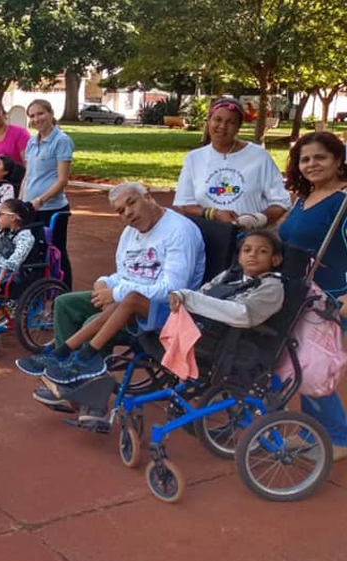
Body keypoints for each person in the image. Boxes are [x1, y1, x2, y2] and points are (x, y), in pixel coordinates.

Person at [16, 182, 205, 389]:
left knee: (99, 316)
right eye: (121, 211)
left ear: (148, 198)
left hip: (164, 310)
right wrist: (105, 283)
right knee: (65, 304)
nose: (128, 213)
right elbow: (125, 275)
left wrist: (116, 293)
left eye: (132, 203)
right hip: (127, 301)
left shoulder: (179, 231)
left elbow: (173, 289)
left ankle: (86, 386)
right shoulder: (129, 232)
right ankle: (64, 370)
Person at [279, 131, 347, 460]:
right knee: (299, 362)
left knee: (313, 365)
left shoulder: (343, 202)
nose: (311, 164)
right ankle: (311, 431)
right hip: (299, 295)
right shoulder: (303, 199)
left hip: (330, 299)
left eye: (320, 157)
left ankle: (338, 438)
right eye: (305, 159)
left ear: (338, 161)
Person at [174, 98, 290, 229]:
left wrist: (256, 220)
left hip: (250, 237)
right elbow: (185, 204)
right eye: (217, 119)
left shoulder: (259, 156)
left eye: (231, 122)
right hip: (209, 235)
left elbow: (281, 201)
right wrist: (213, 214)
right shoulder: (194, 158)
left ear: (238, 127)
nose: (222, 126)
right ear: (209, 121)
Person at [169, 230, 284, 328]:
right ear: (239, 257)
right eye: (247, 250)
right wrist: (181, 298)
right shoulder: (229, 275)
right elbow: (202, 293)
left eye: (262, 251)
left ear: (276, 260)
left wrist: (187, 298)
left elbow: (243, 315)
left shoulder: (272, 286)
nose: (252, 254)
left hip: (233, 342)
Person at [20, 99, 74, 289]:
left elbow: (62, 180)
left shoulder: (61, 141)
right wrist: (20, 201)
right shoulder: (31, 142)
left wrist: (40, 200)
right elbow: (28, 175)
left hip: (52, 209)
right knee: (32, 253)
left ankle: (64, 293)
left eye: (40, 113)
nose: (36, 119)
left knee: (56, 253)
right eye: (32, 116)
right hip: (30, 207)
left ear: (51, 114)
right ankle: (37, 293)